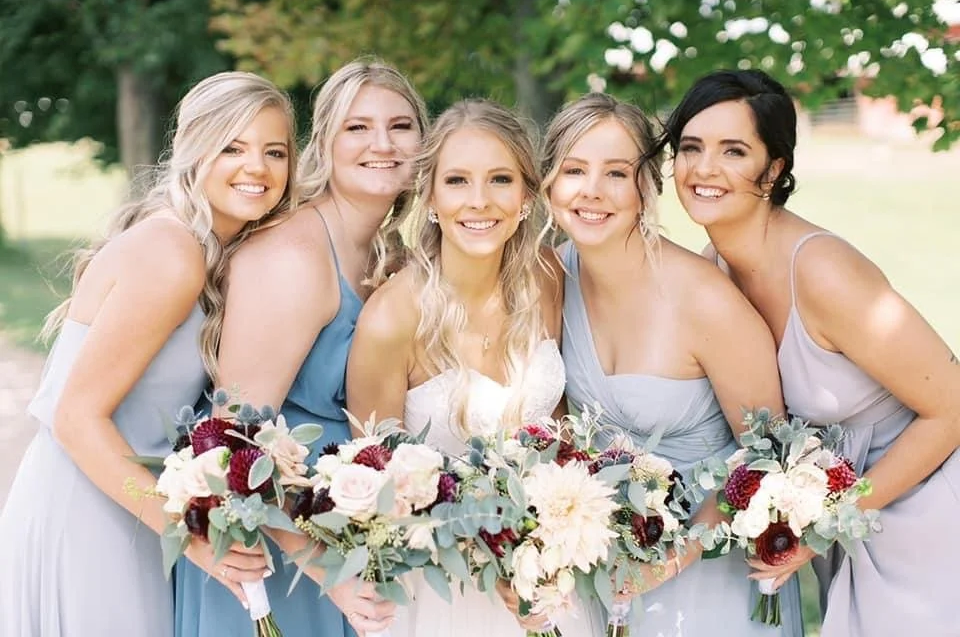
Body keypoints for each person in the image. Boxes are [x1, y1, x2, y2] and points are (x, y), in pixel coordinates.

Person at [660, 68, 960, 636]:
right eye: (691, 147)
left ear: (773, 169)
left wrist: (823, 521)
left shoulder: (822, 272)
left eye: (733, 151)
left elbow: (952, 404)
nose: (703, 168)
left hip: (929, 513)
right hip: (850, 527)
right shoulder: (713, 268)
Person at [0, 71, 296, 636]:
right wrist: (193, 537)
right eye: (231, 146)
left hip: (126, 509)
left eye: (274, 151)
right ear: (193, 150)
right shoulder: (172, 253)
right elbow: (76, 416)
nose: (256, 167)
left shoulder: (208, 252)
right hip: (87, 513)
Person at [174, 58, 428, 637]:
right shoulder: (293, 255)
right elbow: (229, 445)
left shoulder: (393, 257)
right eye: (357, 127)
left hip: (348, 542)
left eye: (401, 126)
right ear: (324, 144)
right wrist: (325, 568)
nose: (382, 144)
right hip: (276, 554)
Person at [542, 92, 803, 637]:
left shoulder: (705, 300)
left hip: (710, 573)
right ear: (547, 184)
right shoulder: (549, 280)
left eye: (616, 172)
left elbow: (769, 455)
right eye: (573, 170)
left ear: (647, 186)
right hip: (600, 570)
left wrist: (669, 561)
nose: (591, 191)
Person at [346, 98, 602, 637]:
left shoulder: (546, 277)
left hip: (547, 582)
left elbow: (556, 435)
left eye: (500, 180)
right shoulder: (393, 317)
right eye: (458, 181)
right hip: (438, 595)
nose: (479, 201)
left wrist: (544, 539)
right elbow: (373, 490)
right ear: (431, 197)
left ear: (528, 195)